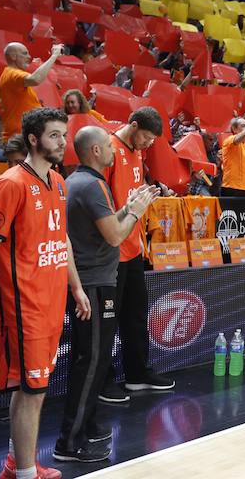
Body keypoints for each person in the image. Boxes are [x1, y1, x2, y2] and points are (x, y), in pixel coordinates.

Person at [0, 107, 91, 479]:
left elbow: (62, 239)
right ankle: (24, 473)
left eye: (65, 135)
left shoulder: (60, 182)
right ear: (34, 139)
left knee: (32, 388)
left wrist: (76, 285)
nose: (63, 142)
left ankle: (15, 462)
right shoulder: (10, 183)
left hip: (52, 301)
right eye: (55, 135)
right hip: (23, 306)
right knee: (33, 390)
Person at [55, 126, 159, 462]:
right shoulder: (93, 184)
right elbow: (115, 236)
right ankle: (70, 442)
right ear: (96, 151)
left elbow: (103, 228)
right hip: (95, 283)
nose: (115, 152)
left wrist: (126, 207)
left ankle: (86, 425)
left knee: (89, 359)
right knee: (92, 361)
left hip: (90, 280)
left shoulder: (76, 181)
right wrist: (134, 212)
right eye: (108, 147)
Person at [99, 106, 174, 403]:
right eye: (145, 137)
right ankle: (103, 382)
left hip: (132, 248)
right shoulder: (108, 149)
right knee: (107, 321)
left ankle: (137, 374)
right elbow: (102, 199)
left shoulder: (137, 152)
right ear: (132, 125)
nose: (148, 144)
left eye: (153, 140)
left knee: (135, 315)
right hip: (110, 250)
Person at [0, 42, 63, 143]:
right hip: (21, 139)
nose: (29, 57)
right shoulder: (12, 73)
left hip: (24, 136)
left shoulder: (12, 74)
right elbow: (36, 79)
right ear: (13, 56)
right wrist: (54, 56)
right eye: (25, 53)